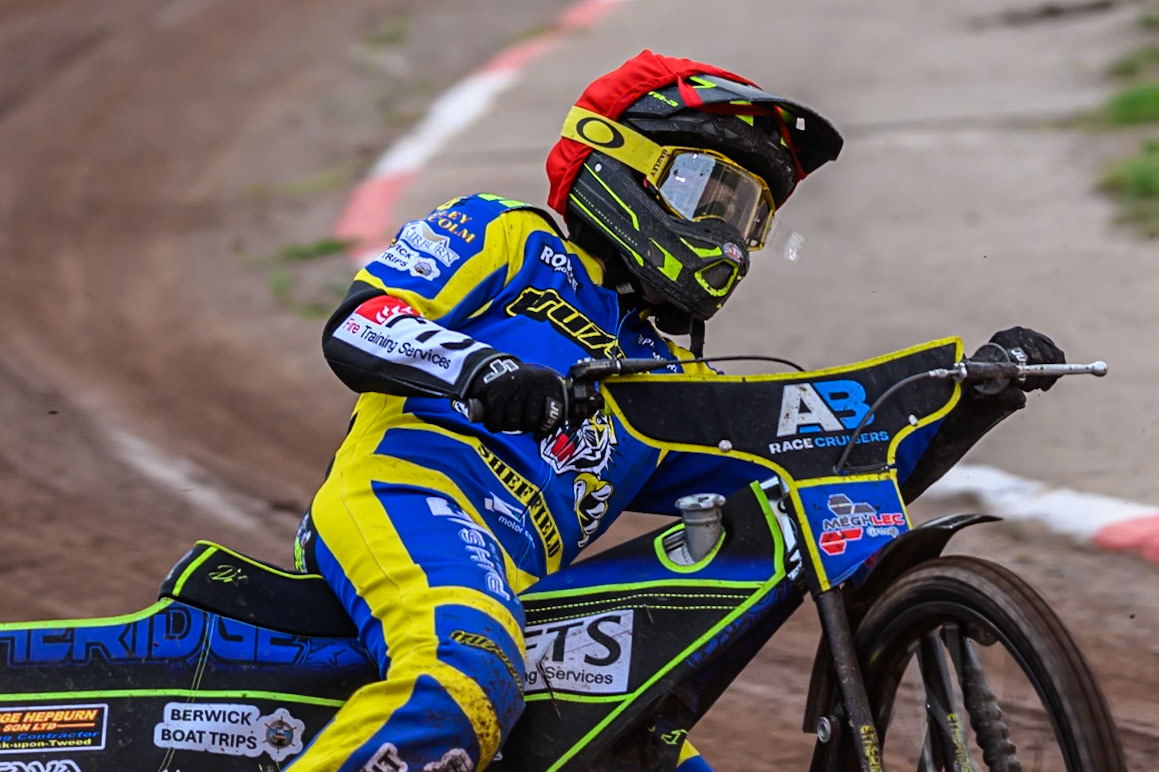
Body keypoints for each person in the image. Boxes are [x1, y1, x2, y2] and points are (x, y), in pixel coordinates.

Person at [287, 51, 1064, 772]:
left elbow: (821, 480)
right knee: (463, 668)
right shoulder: (508, 235)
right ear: (618, 163)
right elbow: (361, 322)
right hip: (406, 499)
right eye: (706, 193)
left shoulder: (662, 376)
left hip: (521, 588)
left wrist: (967, 402)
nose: (727, 237)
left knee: (639, 749)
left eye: (747, 217)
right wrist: (484, 369)